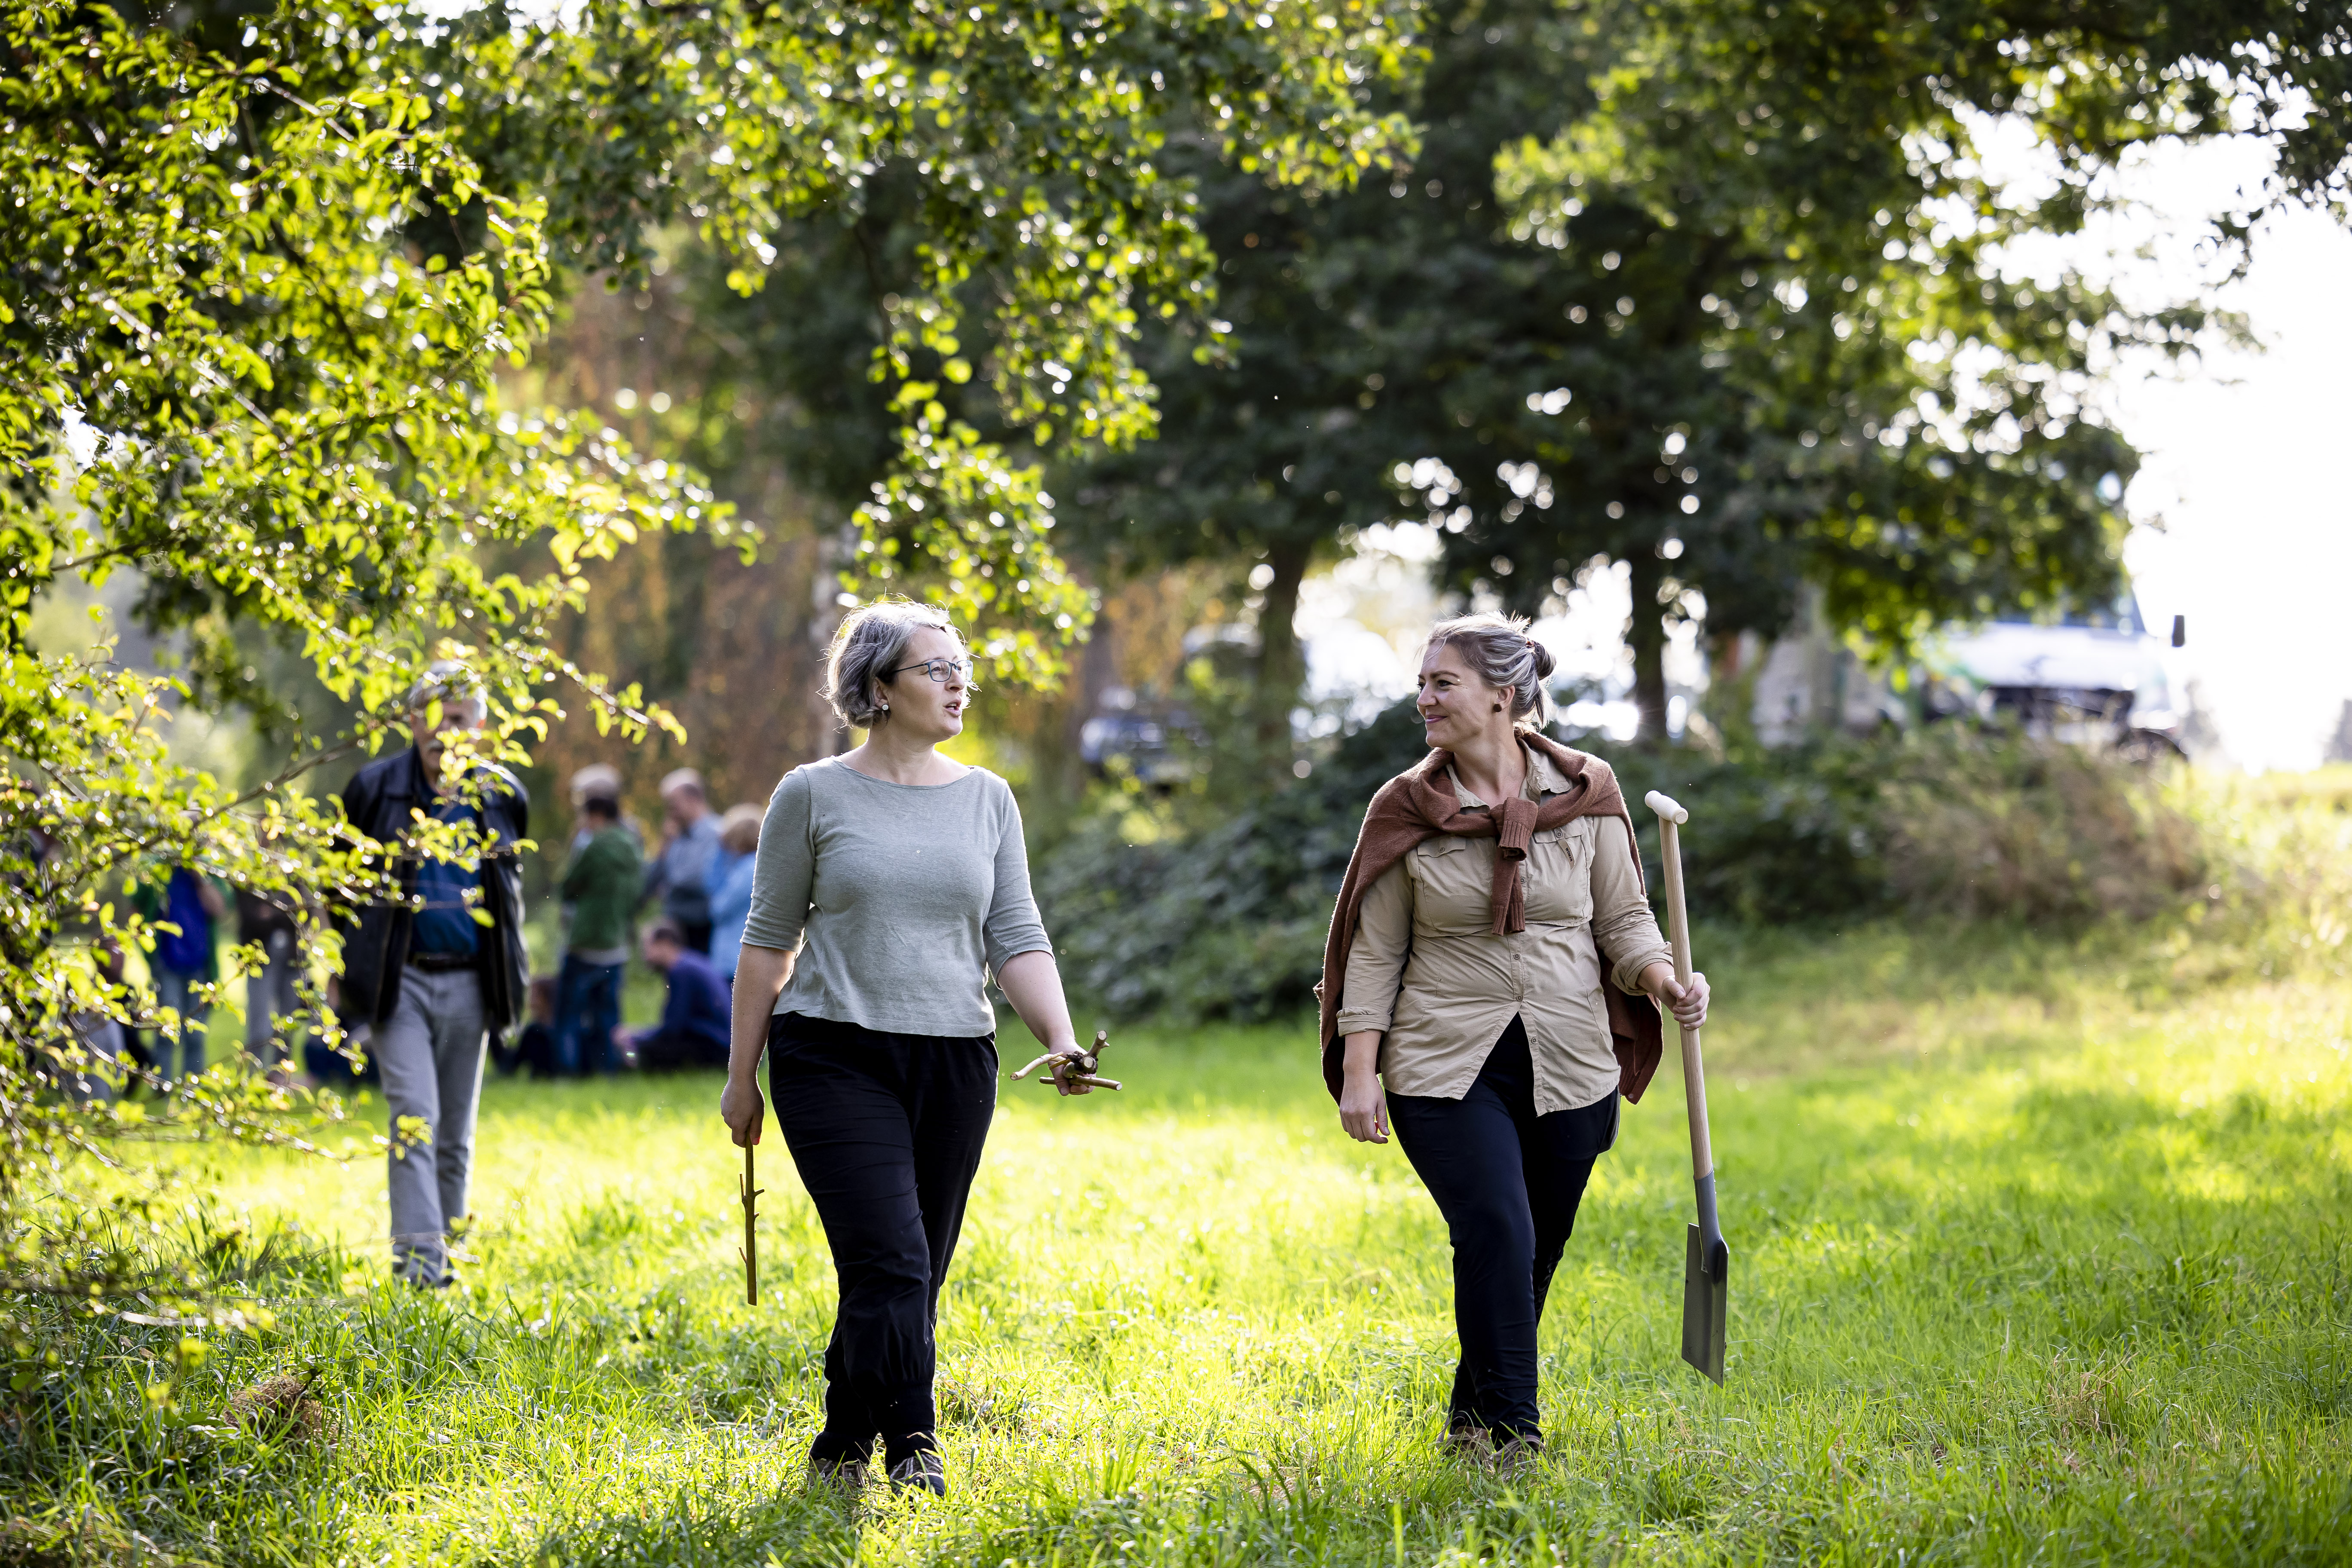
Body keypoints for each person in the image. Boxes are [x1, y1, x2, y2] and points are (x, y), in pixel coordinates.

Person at [1318, 612, 1712, 1473]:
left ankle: (1470, 1414)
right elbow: (1372, 950)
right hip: (1441, 1059)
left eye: (1441, 683)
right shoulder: (1406, 806)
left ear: (1502, 695)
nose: (1423, 698)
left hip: (1572, 1059)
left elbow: (1624, 919)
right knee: (1495, 1225)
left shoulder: (1587, 787)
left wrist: (1664, 979)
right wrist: (1359, 1073)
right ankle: (1514, 1437)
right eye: (1422, 683)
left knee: (1535, 1246)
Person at [720, 598, 1092, 1499]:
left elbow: (1016, 934)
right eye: (937, 668)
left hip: (956, 1060)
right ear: (879, 687)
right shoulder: (812, 793)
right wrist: (741, 1080)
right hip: (832, 1054)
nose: (959, 681)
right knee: (892, 1261)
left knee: (911, 1272)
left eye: (965, 665)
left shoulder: (988, 799)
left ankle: (844, 1434)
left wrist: (1063, 1036)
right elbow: (768, 942)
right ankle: (912, 1441)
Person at [334, 663, 530, 1287]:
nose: (448, 730)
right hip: (401, 983)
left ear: (481, 726)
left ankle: (448, 1258)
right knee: (414, 1121)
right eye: (437, 716)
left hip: (474, 981)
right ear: (413, 720)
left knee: (454, 1135)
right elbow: (340, 889)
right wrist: (340, 973)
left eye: (462, 718)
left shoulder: (501, 795)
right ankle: (420, 1272)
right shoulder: (373, 790)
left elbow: (508, 895)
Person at [556, 792, 642, 1076]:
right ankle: (608, 1069)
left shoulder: (594, 847)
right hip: (617, 941)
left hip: (586, 940)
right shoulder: (632, 847)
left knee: (569, 1012)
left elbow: (569, 886)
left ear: (596, 815)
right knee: (609, 1014)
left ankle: (567, 1070)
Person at [130, 861, 227, 1084]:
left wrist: (200, 877)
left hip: (200, 964)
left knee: (196, 1034)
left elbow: (219, 909)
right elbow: (135, 908)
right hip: (166, 963)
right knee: (166, 1029)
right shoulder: (158, 867)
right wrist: (146, 947)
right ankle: (161, 1088)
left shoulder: (210, 869)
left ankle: (190, 1090)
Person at [624, 918, 733, 1071]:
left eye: (647, 947)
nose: (644, 955)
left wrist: (635, 1037)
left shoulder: (680, 971)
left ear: (665, 944)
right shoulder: (691, 962)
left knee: (646, 1050)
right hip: (726, 1043)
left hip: (717, 1047)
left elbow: (673, 1027)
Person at [642, 768, 720, 953]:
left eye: (674, 805)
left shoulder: (716, 835)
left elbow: (699, 879)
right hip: (677, 928)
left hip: (702, 930)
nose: (671, 813)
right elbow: (651, 881)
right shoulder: (675, 837)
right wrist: (664, 846)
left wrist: (668, 887)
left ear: (693, 799)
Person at [235, 883, 304, 1076]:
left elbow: (304, 908)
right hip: (260, 957)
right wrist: (282, 912)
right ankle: (252, 1078)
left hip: (292, 958)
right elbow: (252, 916)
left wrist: (273, 912)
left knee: (288, 1024)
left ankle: (279, 1079)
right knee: (260, 1027)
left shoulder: (294, 870)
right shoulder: (250, 873)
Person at [706, 803, 763, 983]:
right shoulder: (751, 866)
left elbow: (718, 907)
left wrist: (719, 852)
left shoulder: (747, 869)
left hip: (733, 957)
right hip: (737, 955)